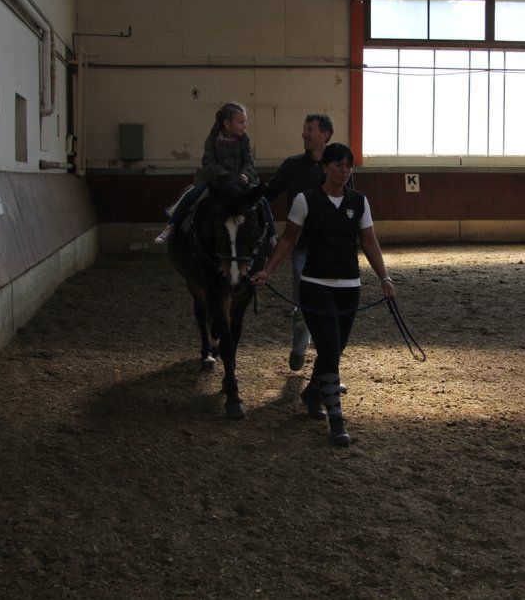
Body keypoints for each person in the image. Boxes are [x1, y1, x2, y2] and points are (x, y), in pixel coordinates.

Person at [252, 143, 396, 446]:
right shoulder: (305, 201)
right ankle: (337, 419)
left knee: (335, 349)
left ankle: (312, 393)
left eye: (348, 166)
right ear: (324, 168)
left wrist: (384, 277)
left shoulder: (359, 202)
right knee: (330, 351)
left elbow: (369, 241)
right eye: (338, 165)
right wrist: (268, 270)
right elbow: (289, 239)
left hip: (349, 288)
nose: (344, 171)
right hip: (315, 286)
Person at [263, 114, 350, 371]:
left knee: (334, 308)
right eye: (304, 129)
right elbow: (269, 193)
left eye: (309, 129)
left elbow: (348, 201)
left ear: (325, 134)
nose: (304, 134)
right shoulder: (292, 166)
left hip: (334, 251)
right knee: (303, 303)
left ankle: (327, 364)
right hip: (303, 249)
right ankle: (300, 346)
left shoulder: (338, 168)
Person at [155, 102, 274, 244]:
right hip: (217, 181)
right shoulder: (212, 139)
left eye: (245, 122)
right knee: (191, 195)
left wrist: (245, 174)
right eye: (241, 122)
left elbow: (249, 161)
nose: (245, 126)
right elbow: (208, 162)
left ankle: (271, 235)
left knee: (263, 201)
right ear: (227, 124)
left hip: (241, 183)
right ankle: (171, 226)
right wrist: (222, 175)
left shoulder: (244, 140)